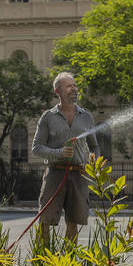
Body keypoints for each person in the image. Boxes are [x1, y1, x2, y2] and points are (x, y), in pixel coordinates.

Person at [32, 72, 100, 246]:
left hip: (79, 175)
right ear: (58, 91)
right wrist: (59, 153)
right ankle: (44, 261)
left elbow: (94, 147)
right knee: (45, 220)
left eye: (75, 85)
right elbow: (37, 148)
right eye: (69, 86)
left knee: (73, 221)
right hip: (55, 173)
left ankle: (68, 264)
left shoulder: (86, 116)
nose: (74, 89)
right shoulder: (48, 117)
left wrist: (91, 164)